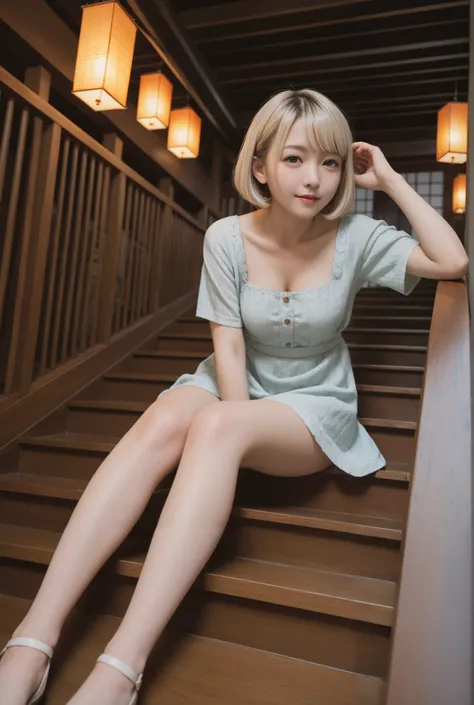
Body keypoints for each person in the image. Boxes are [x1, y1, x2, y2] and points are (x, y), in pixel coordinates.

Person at [0, 89, 468, 705]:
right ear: (260, 167)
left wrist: (387, 179)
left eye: (330, 163)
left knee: (218, 428)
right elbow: (228, 350)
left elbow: (452, 259)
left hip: (311, 401)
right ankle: (32, 639)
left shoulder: (357, 236)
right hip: (234, 382)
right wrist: (219, 430)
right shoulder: (225, 236)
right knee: (167, 415)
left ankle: (121, 667)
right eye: (296, 159)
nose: (315, 179)